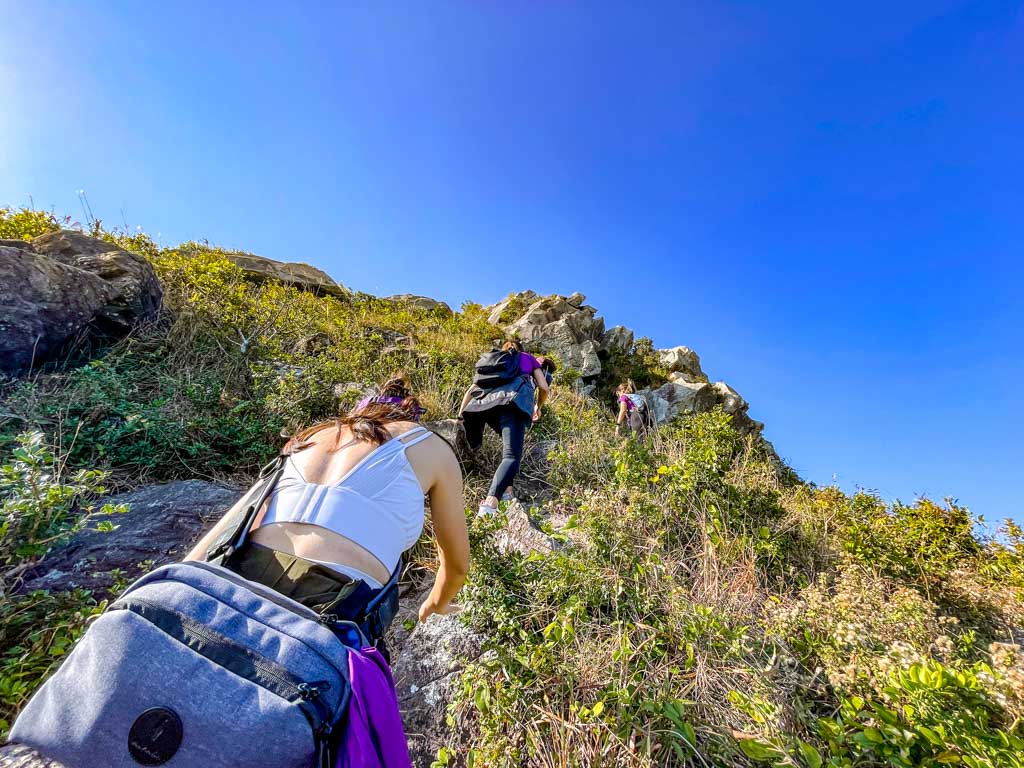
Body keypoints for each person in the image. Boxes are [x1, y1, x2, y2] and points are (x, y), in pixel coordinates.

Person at [186, 375, 469, 629]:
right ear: (412, 417)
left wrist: (181, 579)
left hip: (244, 569)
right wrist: (435, 602)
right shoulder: (430, 446)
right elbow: (456, 566)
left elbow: (234, 522)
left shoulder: (311, 436)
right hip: (339, 598)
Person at [459, 340, 551, 516]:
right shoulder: (527, 358)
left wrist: (460, 415)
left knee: (511, 450)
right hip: (512, 404)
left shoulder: (497, 360)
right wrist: (538, 407)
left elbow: (471, 389)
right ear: (521, 350)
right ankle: (490, 503)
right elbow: (544, 387)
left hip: (484, 406)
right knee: (511, 456)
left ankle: (507, 491)